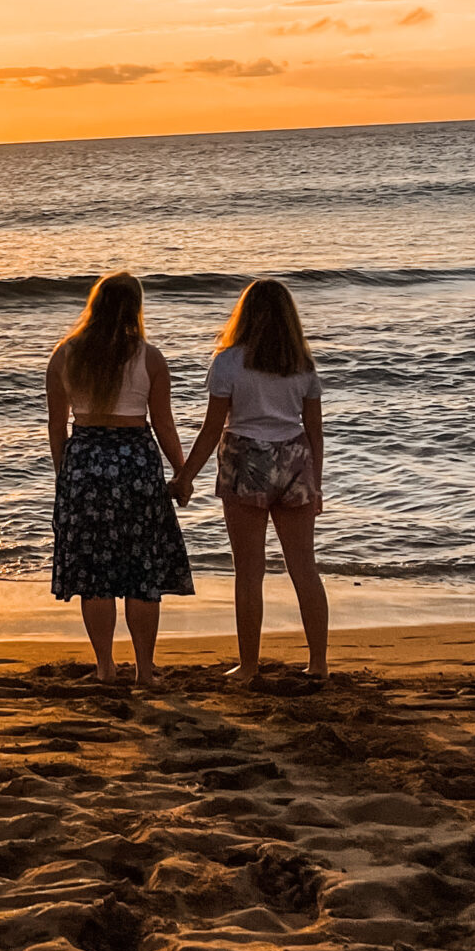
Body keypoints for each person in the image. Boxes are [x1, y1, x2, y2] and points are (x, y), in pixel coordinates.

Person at [176, 278, 326, 688]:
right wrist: (316, 483)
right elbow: (315, 430)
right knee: (304, 568)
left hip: (246, 459)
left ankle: (249, 665)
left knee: (249, 571)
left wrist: (185, 475)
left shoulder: (228, 363)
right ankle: (317, 662)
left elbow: (211, 430)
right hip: (295, 459)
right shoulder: (302, 365)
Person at [46, 271, 195, 685]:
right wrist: (182, 472)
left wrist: (66, 475)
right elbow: (164, 425)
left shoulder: (65, 355)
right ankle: (144, 671)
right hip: (136, 461)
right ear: (135, 308)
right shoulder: (149, 357)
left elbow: (57, 426)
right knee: (141, 571)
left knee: (95, 572)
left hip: (86, 460)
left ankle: (105, 667)